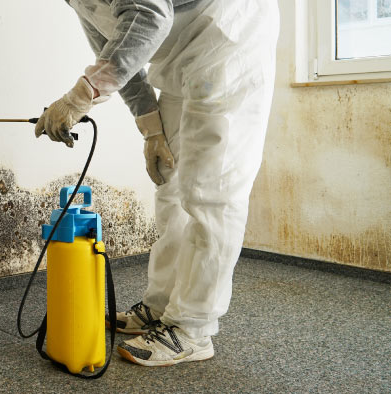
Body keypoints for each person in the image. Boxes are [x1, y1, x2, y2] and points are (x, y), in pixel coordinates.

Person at [35, 0, 279, 367]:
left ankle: (193, 328)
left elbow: (149, 13)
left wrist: (80, 96)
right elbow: (117, 51)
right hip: (180, 57)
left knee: (210, 193)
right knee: (170, 183)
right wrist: (151, 129)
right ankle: (161, 305)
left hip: (229, 38)